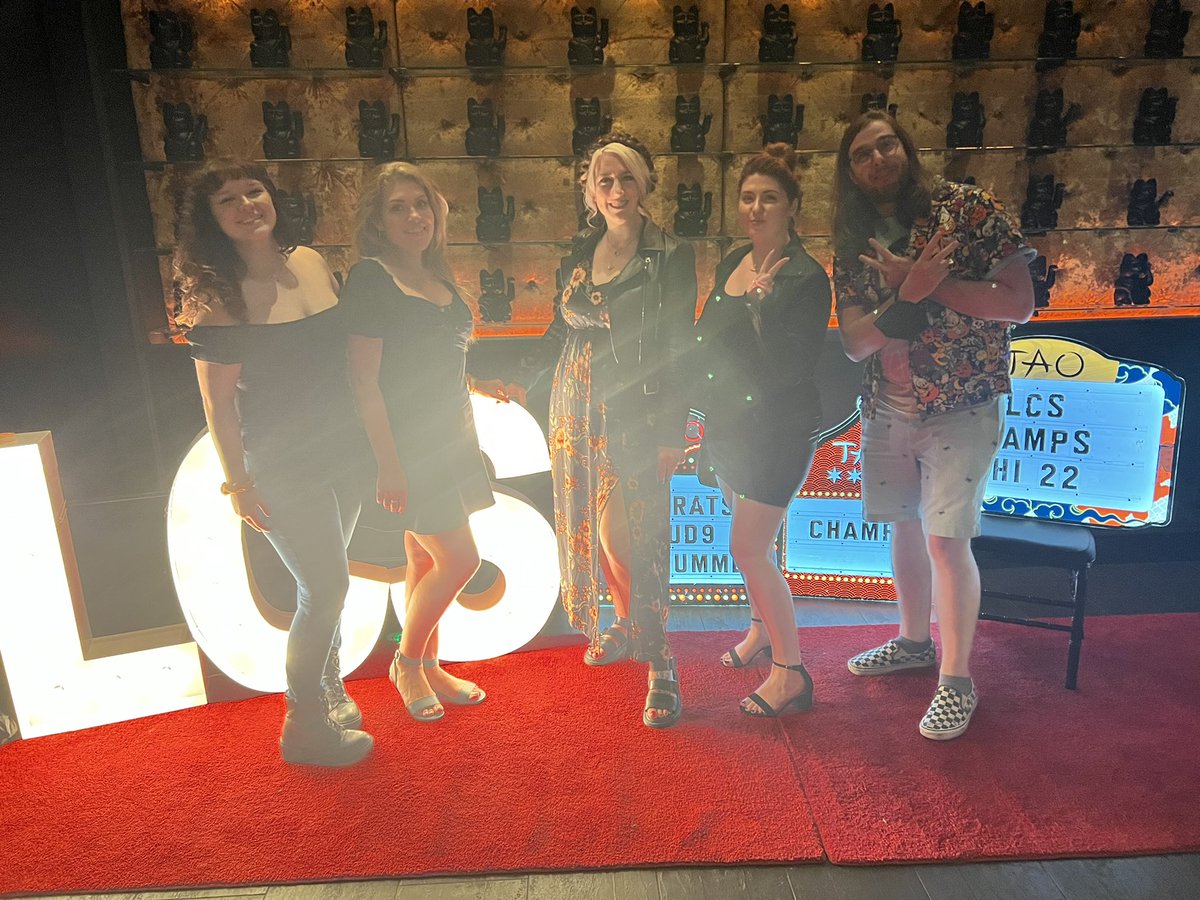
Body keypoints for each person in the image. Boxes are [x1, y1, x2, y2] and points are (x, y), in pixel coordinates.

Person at [831, 111, 1035, 740]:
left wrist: (928, 285)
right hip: (888, 404)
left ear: (907, 148)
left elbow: (1019, 302)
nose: (877, 159)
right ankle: (914, 642)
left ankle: (957, 679)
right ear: (850, 171)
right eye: (862, 153)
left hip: (961, 403)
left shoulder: (967, 210)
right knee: (903, 528)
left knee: (946, 541)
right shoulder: (854, 235)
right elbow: (854, 343)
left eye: (886, 144)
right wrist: (907, 294)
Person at [175, 161, 373, 766]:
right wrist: (238, 483)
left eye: (253, 191)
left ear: (273, 197)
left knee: (331, 587)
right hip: (284, 464)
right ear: (210, 220)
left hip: (345, 451)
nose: (246, 206)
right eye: (227, 200)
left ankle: (328, 690)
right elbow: (218, 407)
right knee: (325, 587)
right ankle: (303, 724)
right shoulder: (216, 301)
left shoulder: (310, 261)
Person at [516, 133, 695, 728]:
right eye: (605, 181)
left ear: (645, 185)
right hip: (573, 406)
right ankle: (624, 622)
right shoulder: (579, 248)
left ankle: (661, 659)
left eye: (626, 179)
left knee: (630, 539)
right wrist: (520, 378)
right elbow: (560, 327)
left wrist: (672, 431)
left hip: (634, 412)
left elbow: (678, 346)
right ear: (590, 192)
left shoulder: (670, 253)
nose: (617, 190)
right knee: (596, 530)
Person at [342, 161, 518, 723]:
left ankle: (430, 665)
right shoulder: (371, 278)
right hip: (410, 448)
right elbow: (365, 382)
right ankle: (407, 661)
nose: (414, 216)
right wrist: (388, 464)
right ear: (378, 220)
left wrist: (476, 382)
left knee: (422, 558)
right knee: (461, 559)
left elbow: (431, 360)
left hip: (453, 438)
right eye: (398, 207)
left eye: (421, 204)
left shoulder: (439, 276)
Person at [693, 144, 832, 717]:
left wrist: (761, 309)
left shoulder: (806, 277)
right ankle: (759, 630)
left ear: (792, 206)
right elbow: (709, 335)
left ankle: (791, 672)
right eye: (748, 197)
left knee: (748, 548)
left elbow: (790, 369)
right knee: (754, 545)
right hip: (730, 424)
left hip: (777, 430)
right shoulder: (733, 260)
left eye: (769, 198)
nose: (755, 208)